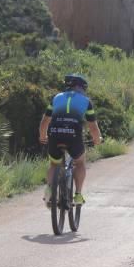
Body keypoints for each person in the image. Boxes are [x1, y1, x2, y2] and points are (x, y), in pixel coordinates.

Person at [38, 74, 102, 207]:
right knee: (79, 162)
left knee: (54, 164)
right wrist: (97, 140)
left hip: (55, 133)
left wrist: (42, 136)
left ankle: (49, 189)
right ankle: (78, 195)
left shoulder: (56, 97)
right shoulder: (85, 101)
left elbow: (45, 121)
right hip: (73, 135)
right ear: (81, 88)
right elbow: (93, 127)